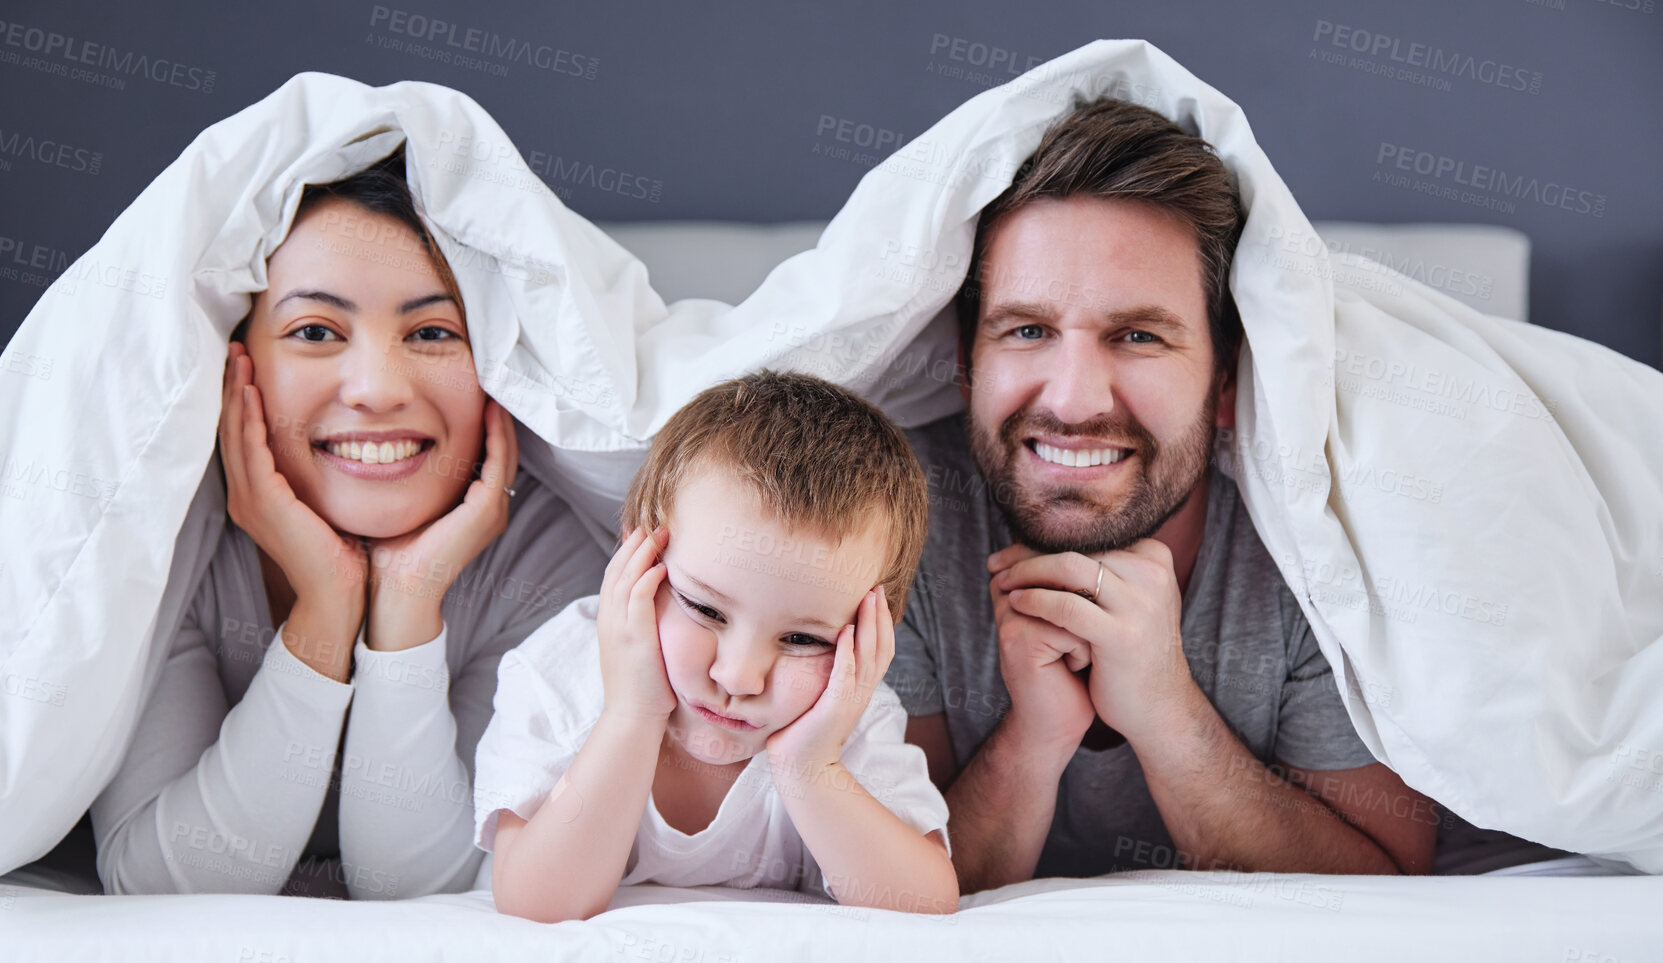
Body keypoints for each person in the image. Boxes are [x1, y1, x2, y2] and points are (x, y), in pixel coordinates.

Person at [885, 97, 1471, 893]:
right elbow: (889, 889)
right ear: (964, 364)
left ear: (1225, 382)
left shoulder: (1314, 541)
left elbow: (1386, 887)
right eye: (1026, 329)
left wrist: (1166, 713)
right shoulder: (890, 523)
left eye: (1138, 335)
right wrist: (1031, 740)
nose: (1074, 399)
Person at [90, 150, 606, 898]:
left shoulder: (546, 553)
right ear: (241, 368)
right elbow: (157, 884)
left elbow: (428, 883)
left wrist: (408, 609)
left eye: (432, 333)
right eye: (315, 331)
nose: (375, 390)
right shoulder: (168, 533)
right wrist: (325, 608)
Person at [477, 371, 958, 921]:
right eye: (706, 609)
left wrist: (810, 767)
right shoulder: (556, 674)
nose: (738, 677)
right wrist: (632, 715)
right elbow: (535, 903)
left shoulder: (846, 720)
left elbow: (925, 904)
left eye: (802, 639)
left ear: (870, 637)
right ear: (636, 563)